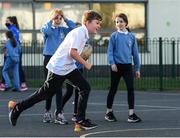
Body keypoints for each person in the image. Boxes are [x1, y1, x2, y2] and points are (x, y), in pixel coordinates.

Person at [8, 10, 102, 130]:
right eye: (97, 23)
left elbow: (73, 51)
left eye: (100, 24)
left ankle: (80, 120)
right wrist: (85, 63)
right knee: (44, 94)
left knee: (85, 87)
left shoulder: (83, 33)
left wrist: (81, 56)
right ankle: (17, 108)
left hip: (67, 67)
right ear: (88, 22)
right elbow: (72, 52)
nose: (99, 26)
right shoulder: (79, 32)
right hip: (59, 67)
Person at [41, 8, 76, 124]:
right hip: (49, 59)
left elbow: (74, 29)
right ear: (52, 18)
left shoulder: (64, 30)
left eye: (60, 17)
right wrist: (52, 21)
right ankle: (47, 111)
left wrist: (65, 18)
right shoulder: (48, 28)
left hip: (60, 61)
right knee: (49, 87)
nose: (58, 19)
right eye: (56, 17)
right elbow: (48, 32)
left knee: (59, 87)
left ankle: (59, 114)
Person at [105, 13, 141, 123]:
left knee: (130, 88)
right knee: (113, 89)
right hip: (116, 66)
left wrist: (137, 69)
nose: (119, 23)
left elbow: (135, 54)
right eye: (117, 22)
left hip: (127, 67)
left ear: (126, 23)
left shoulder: (131, 37)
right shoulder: (114, 36)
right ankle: (108, 112)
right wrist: (112, 63)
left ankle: (131, 114)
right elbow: (110, 52)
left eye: (121, 21)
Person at [0, 16, 28, 91]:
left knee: (4, 70)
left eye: (7, 21)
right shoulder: (15, 29)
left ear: (11, 22)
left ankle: (7, 84)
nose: (6, 22)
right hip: (16, 56)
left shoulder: (12, 31)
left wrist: (6, 52)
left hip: (11, 56)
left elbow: (11, 46)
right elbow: (18, 47)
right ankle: (17, 86)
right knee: (16, 71)